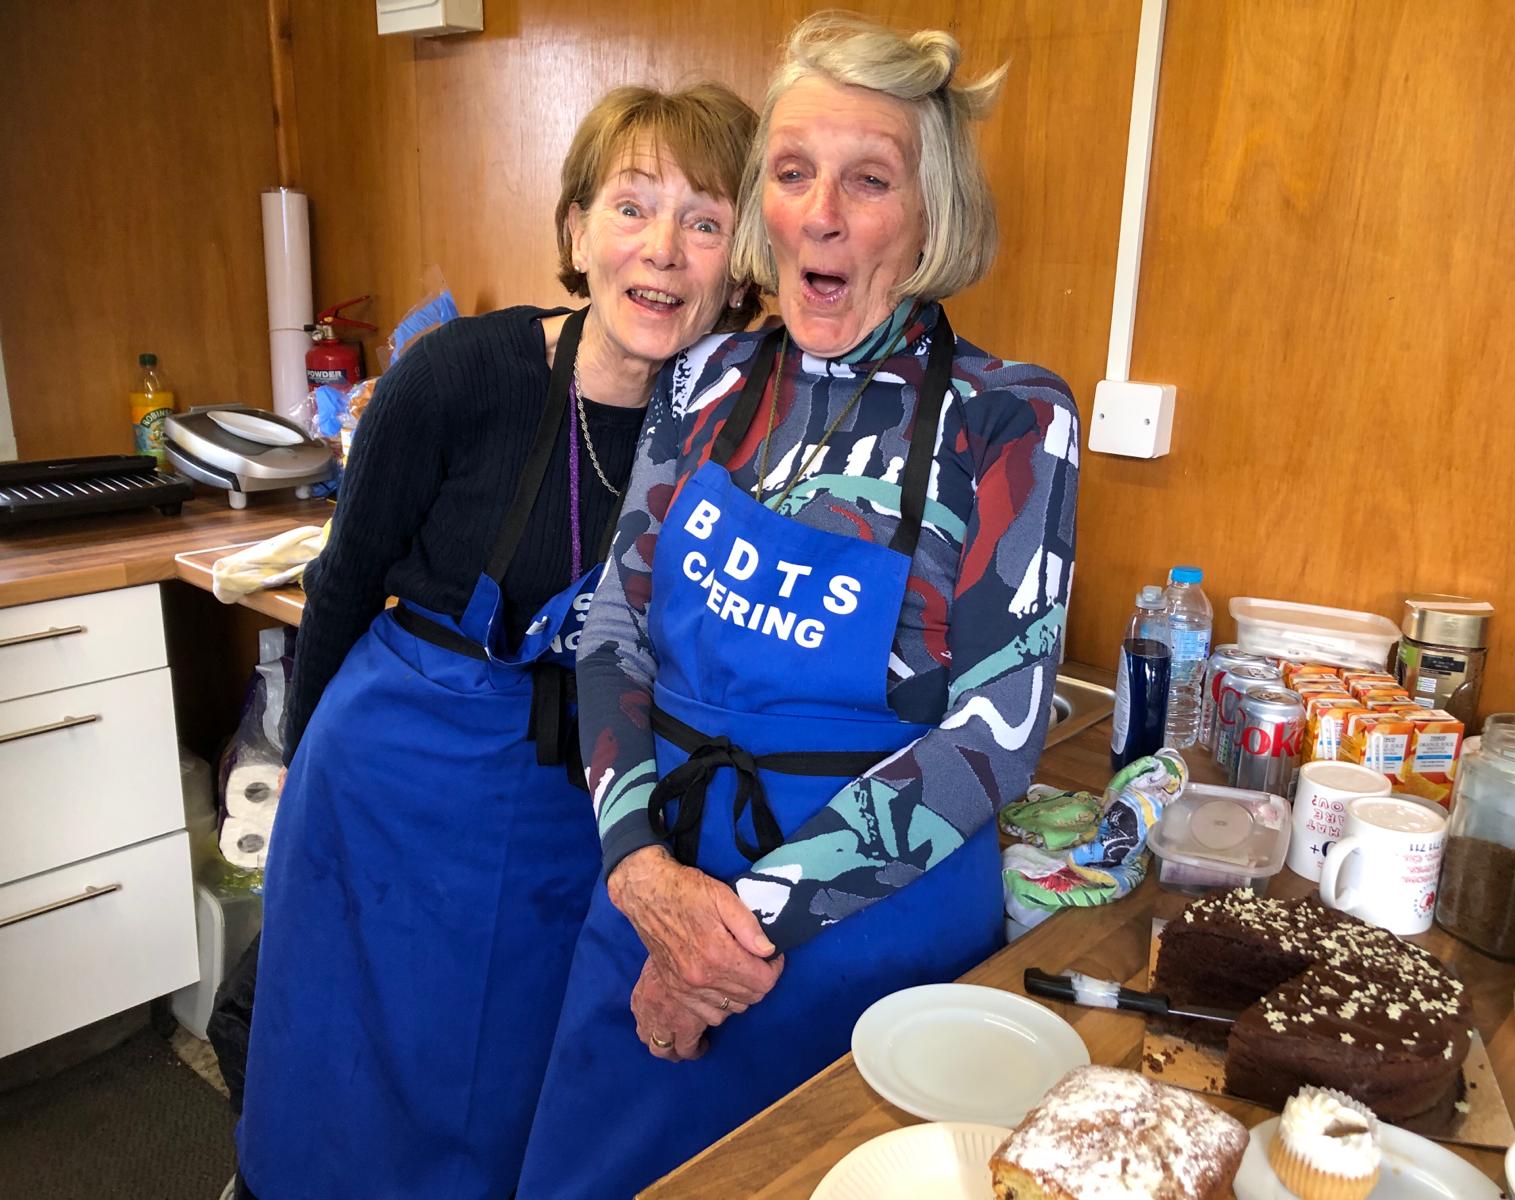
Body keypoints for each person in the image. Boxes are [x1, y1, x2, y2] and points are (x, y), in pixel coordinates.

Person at [516, 15, 1079, 1198]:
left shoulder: (1012, 420)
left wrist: (738, 931)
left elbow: (995, 737)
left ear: (930, 216)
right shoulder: (703, 379)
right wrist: (639, 874)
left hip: (865, 943)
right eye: (790, 172)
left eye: (867, 180)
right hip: (655, 885)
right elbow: (612, 630)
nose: (818, 214)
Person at [230, 82, 758, 1200]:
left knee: (514, 1081)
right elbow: (342, 583)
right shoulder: (460, 375)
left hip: (582, 801)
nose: (663, 251)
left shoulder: (737, 424)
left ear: (737, 263)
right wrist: (306, 800)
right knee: (360, 1080)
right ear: (576, 230)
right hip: (396, 783)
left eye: (705, 221)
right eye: (631, 207)